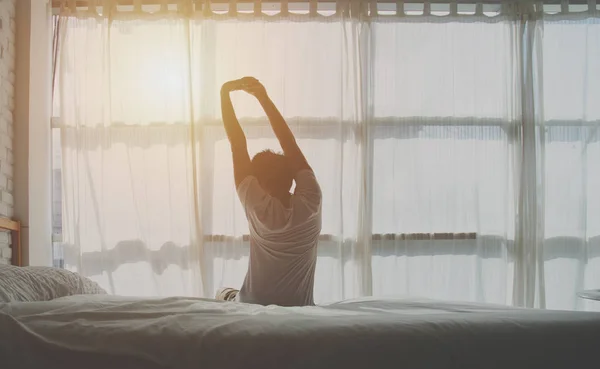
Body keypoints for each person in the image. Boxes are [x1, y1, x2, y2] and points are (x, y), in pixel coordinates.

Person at [217, 77, 322, 307]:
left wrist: (224, 93)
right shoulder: (311, 201)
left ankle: (228, 295)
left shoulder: (255, 203)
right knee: (227, 292)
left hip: (250, 304)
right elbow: (288, 143)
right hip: (302, 307)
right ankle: (229, 294)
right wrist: (262, 97)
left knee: (221, 292)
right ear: (292, 178)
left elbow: (237, 143)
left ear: (259, 182)